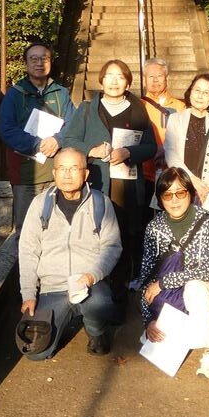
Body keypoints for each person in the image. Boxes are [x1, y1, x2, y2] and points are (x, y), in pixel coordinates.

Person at [59, 58, 156, 293]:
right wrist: (91, 151)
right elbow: (69, 140)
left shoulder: (138, 109)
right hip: (97, 181)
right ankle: (95, 283)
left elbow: (151, 147)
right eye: (109, 76)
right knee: (96, 234)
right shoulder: (87, 109)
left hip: (126, 186)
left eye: (120, 77)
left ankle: (122, 287)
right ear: (101, 81)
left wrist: (128, 152)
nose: (114, 81)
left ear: (128, 83)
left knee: (124, 235)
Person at [16, 148, 121, 358]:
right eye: (62, 169)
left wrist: (92, 276)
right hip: (52, 287)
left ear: (85, 173)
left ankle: (97, 332)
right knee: (36, 354)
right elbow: (28, 251)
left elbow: (112, 247)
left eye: (74, 168)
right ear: (54, 173)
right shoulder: (40, 204)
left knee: (98, 304)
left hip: (89, 284)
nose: (67, 174)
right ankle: (64, 317)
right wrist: (28, 294)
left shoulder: (100, 203)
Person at [138, 166, 209, 378]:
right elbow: (146, 278)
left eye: (181, 193)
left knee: (194, 288)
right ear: (160, 198)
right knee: (154, 331)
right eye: (167, 195)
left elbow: (206, 270)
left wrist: (163, 283)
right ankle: (177, 327)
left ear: (190, 193)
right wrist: (148, 320)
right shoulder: (154, 227)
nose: (174, 200)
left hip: (206, 292)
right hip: (171, 299)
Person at [0, 39, 72, 231]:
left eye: (44, 58)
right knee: (26, 230)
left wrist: (58, 140)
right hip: (25, 176)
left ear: (51, 62)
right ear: (25, 64)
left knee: (56, 228)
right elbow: (7, 129)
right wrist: (37, 144)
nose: (39, 63)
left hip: (56, 172)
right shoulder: (14, 94)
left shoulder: (62, 93)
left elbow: (73, 124)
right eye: (34, 59)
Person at [163, 71, 209, 219]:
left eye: (206, 93)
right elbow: (171, 152)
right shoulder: (175, 119)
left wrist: (205, 188)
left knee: (207, 231)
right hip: (180, 188)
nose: (200, 95)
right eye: (197, 90)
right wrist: (190, 180)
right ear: (190, 92)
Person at [139, 57, 184, 197]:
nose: (155, 80)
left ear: (167, 79)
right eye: (150, 76)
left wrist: (166, 151)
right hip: (144, 174)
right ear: (144, 80)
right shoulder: (138, 106)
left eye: (159, 76)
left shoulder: (180, 107)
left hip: (172, 175)